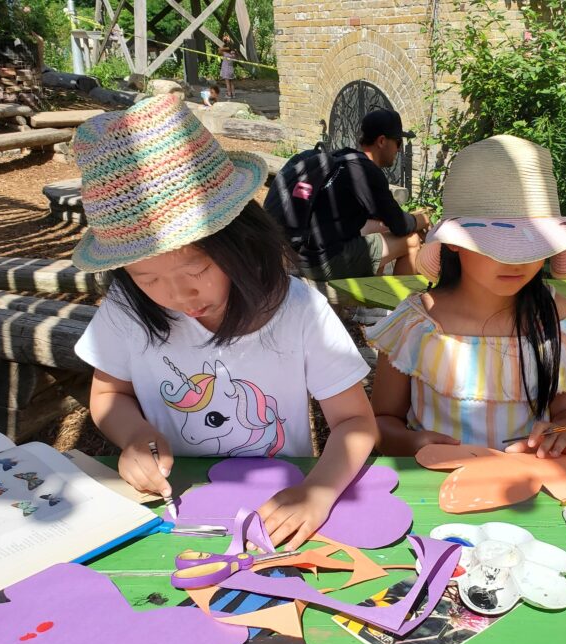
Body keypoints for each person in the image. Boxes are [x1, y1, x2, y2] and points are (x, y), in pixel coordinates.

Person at [72, 94, 378, 550]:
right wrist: (133, 435)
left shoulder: (298, 310)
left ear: (242, 240)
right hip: (176, 508)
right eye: (147, 277)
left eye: (196, 271)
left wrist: (319, 490)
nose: (177, 296)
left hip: (282, 505)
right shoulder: (128, 307)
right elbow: (108, 392)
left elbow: (355, 421)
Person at [367, 134, 566, 456]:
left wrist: (561, 433)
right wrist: (413, 442)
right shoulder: (417, 323)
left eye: (532, 246)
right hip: (437, 485)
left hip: (531, 487)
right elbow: (382, 421)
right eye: (497, 246)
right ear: (454, 241)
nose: (516, 260)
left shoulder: (556, 319)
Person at [264, 108, 431, 281]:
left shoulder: (343, 157)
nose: (398, 149)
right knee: (411, 240)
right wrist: (423, 219)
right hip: (322, 262)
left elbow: (384, 220)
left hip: (302, 253)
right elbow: (400, 225)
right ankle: (399, 305)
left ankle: (370, 300)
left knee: (379, 229)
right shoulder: (368, 173)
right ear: (382, 141)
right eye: (398, 142)